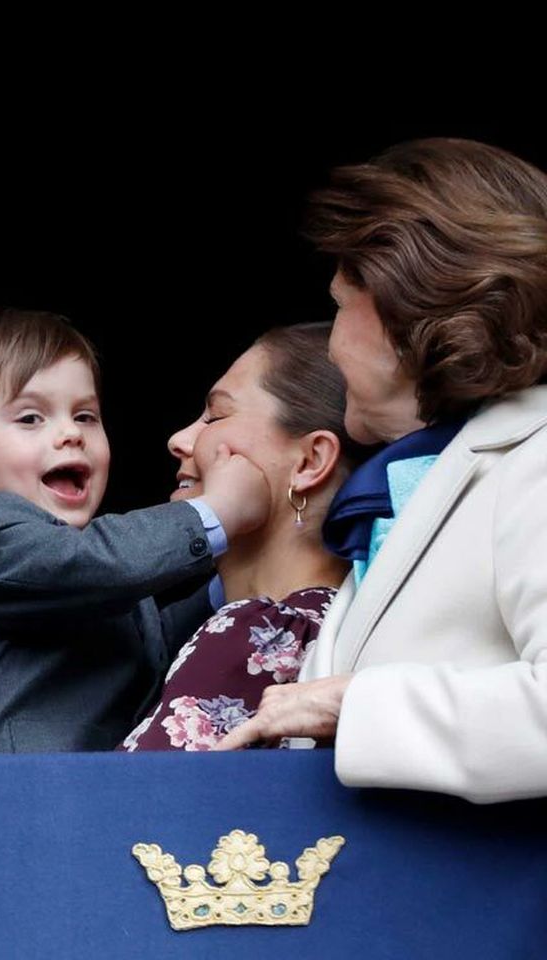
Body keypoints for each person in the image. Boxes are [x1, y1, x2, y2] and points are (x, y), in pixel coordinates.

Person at [218, 139, 547, 804]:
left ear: (407, 309)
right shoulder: (421, 479)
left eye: (341, 307)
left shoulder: (536, 458)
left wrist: (353, 706)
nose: (332, 345)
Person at [0, 309, 268, 752]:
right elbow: (95, 563)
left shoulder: (90, 572)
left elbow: (148, 646)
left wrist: (230, 585)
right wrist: (216, 513)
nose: (69, 434)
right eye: (30, 419)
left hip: (75, 802)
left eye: (85, 416)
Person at [122, 323, 365, 750]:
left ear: (310, 461)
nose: (178, 440)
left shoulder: (257, 631)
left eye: (216, 416)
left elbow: (135, 806)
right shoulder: (348, 628)